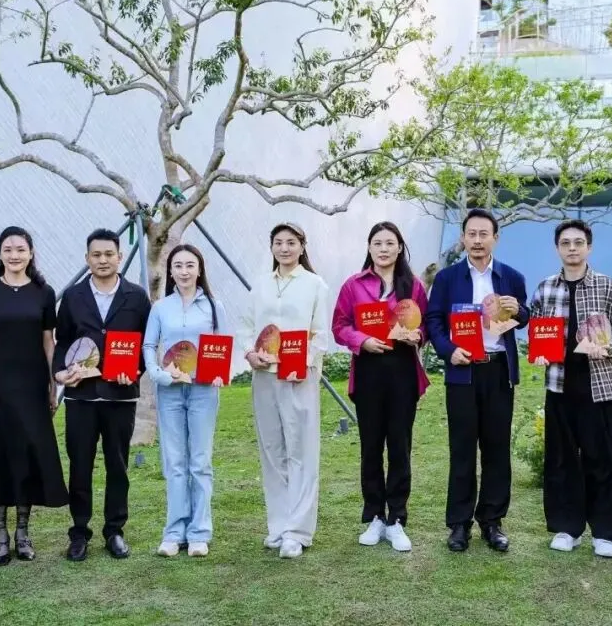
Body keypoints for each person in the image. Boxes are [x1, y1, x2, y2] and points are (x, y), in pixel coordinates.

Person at [0, 226, 69, 565]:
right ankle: (0, 537)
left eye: (20, 249)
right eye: (8, 249)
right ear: (0, 254)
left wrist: (53, 385)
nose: (14, 255)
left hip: (33, 388)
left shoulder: (44, 293)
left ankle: (23, 534)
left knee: (27, 457)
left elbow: (48, 343)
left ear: (31, 253)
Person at [529, 219, 612, 558]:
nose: (572, 248)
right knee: (561, 460)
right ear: (557, 249)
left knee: (603, 459)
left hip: (598, 385)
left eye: (578, 242)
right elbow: (536, 326)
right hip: (560, 386)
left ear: (589, 247)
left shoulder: (607, 285)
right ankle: (567, 528)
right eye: (565, 243)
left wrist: (610, 347)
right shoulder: (545, 287)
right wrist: (538, 350)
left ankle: (605, 532)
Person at [425, 208, 530, 553]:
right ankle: (459, 524)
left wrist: (519, 310)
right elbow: (433, 320)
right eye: (471, 234)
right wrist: (448, 350)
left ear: (495, 238)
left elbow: (525, 316)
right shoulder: (447, 278)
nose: (477, 240)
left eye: (484, 234)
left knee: (497, 448)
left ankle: (492, 521)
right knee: (462, 448)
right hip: (462, 370)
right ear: (463, 238)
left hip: (498, 370)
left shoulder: (511, 277)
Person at [54, 228, 151, 561]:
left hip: (120, 395)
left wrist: (135, 370)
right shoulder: (73, 296)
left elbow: (145, 343)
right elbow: (63, 342)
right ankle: (79, 532)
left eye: (109, 254)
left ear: (119, 257)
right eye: (96, 255)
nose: (103, 260)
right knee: (80, 465)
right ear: (87, 258)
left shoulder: (137, 297)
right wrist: (59, 372)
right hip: (81, 396)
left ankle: (114, 530)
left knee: (117, 465)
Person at [332, 222, 430, 552]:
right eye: (377, 243)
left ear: (400, 248)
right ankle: (374, 515)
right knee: (371, 446)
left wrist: (417, 335)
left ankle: (397, 518)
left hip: (402, 371)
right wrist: (362, 340)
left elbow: (427, 325)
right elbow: (340, 325)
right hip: (369, 371)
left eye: (390, 243)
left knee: (400, 446)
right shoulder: (354, 285)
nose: (384, 249)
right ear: (369, 247)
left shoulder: (413, 286)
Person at [242, 223, 332, 559]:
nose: (284, 248)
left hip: (298, 378)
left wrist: (302, 362)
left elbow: (320, 335)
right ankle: (278, 526)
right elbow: (246, 326)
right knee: (272, 450)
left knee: (301, 451)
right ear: (271, 247)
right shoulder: (261, 285)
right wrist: (250, 353)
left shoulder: (315, 285)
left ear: (302, 246)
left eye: (291, 242)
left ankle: (298, 531)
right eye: (278, 242)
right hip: (265, 377)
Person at [143, 244, 227, 559]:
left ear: (200, 269)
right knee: (175, 462)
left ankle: (199, 533)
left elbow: (223, 344)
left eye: (190, 265)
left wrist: (219, 373)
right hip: (170, 391)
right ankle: (174, 532)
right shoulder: (160, 307)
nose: (184, 271)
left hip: (203, 390)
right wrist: (158, 374)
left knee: (200, 462)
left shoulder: (214, 306)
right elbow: (149, 344)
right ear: (170, 271)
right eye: (178, 265)